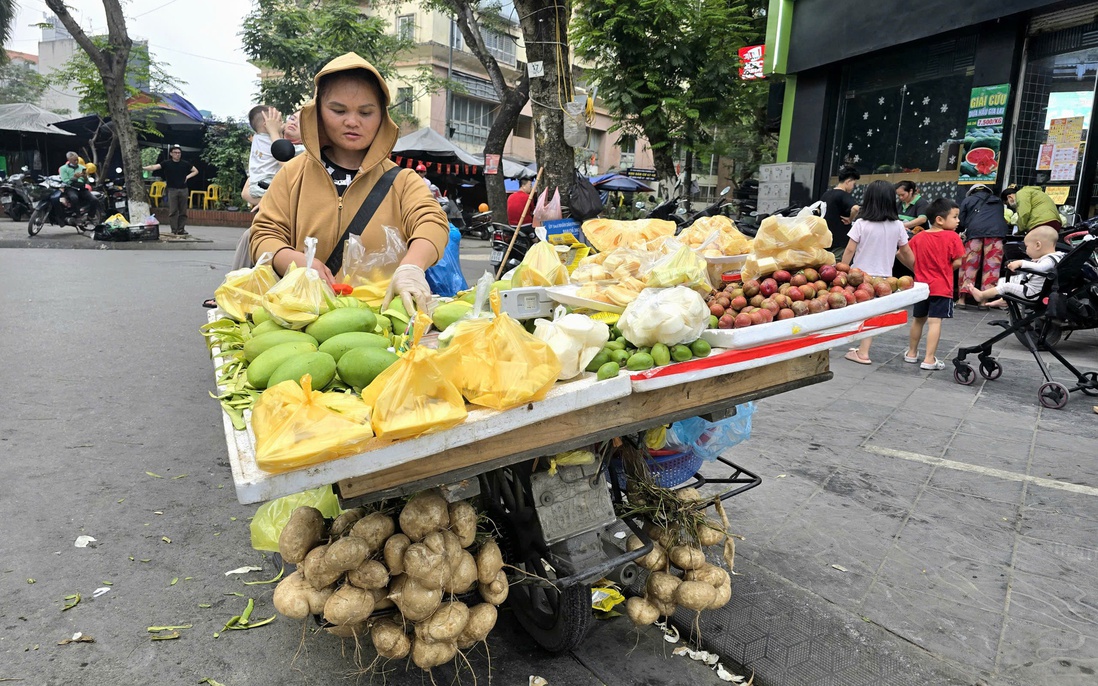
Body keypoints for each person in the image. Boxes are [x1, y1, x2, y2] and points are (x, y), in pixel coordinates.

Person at [249, 52, 449, 314]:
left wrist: (411, 267)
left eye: (366, 112)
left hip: (381, 319)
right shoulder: (293, 173)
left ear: (382, 118)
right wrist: (295, 262)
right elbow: (264, 233)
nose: (352, 121)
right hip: (302, 312)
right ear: (317, 111)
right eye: (338, 110)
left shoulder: (403, 180)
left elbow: (432, 222)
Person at [841, 180, 916, 365]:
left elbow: (850, 250)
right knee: (871, 313)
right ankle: (862, 348)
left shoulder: (861, 223)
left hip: (860, 276)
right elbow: (905, 251)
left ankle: (863, 353)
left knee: (857, 311)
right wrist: (917, 270)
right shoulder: (897, 225)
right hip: (884, 278)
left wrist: (842, 270)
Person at [904, 198, 965, 371]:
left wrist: (917, 269)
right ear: (940, 219)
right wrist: (944, 270)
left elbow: (904, 251)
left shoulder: (920, 237)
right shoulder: (952, 237)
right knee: (935, 322)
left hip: (921, 286)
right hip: (941, 286)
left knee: (918, 320)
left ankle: (911, 353)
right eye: (954, 217)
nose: (958, 220)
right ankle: (929, 359)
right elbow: (959, 262)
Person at [964, 225, 1062, 304]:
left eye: (1026, 247)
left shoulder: (1049, 260)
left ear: (1037, 245)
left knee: (1006, 286)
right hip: (1038, 290)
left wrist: (1021, 263)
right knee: (1006, 281)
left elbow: (1041, 268)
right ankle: (1003, 301)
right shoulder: (1058, 256)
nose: (1026, 250)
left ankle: (982, 295)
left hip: (1032, 293)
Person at [957, 184, 1009, 308]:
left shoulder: (968, 200)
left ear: (972, 192)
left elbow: (961, 221)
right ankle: (984, 301)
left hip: (974, 234)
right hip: (996, 235)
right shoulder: (998, 201)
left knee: (969, 265)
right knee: (992, 267)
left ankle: (962, 300)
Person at [142, 145, 198, 236]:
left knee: (183, 211)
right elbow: (154, 167)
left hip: (183, 189)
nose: (177, 155)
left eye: (179, 153)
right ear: (171, 154)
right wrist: (143, 167)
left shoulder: (185, 163)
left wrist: (187, 177)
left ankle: (181, 229)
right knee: (173, 211)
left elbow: (195, 171)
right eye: (175, 153)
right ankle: (174, 229)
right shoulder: (166, 163)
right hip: (172, 189)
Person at [820, 165, 861, 257]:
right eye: (853, 184)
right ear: (848, 181)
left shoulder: (826, 194)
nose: (853, 187)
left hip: (825, 240)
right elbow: (855, 208)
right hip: (840, 241)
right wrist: (850, 219)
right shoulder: (844, 195)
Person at [58, 151, 95, 216]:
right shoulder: (63, 168)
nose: (76, 161)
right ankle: (78, 215)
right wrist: (74, 178)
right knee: (74, 198)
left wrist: (85, 177)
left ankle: (91, 215)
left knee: (94, 200)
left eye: (77, 159)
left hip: (81, 187)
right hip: (71, 188)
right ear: (69, 160)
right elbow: (65, 181)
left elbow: (87, 182)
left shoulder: (82, 168)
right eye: (74, 160)